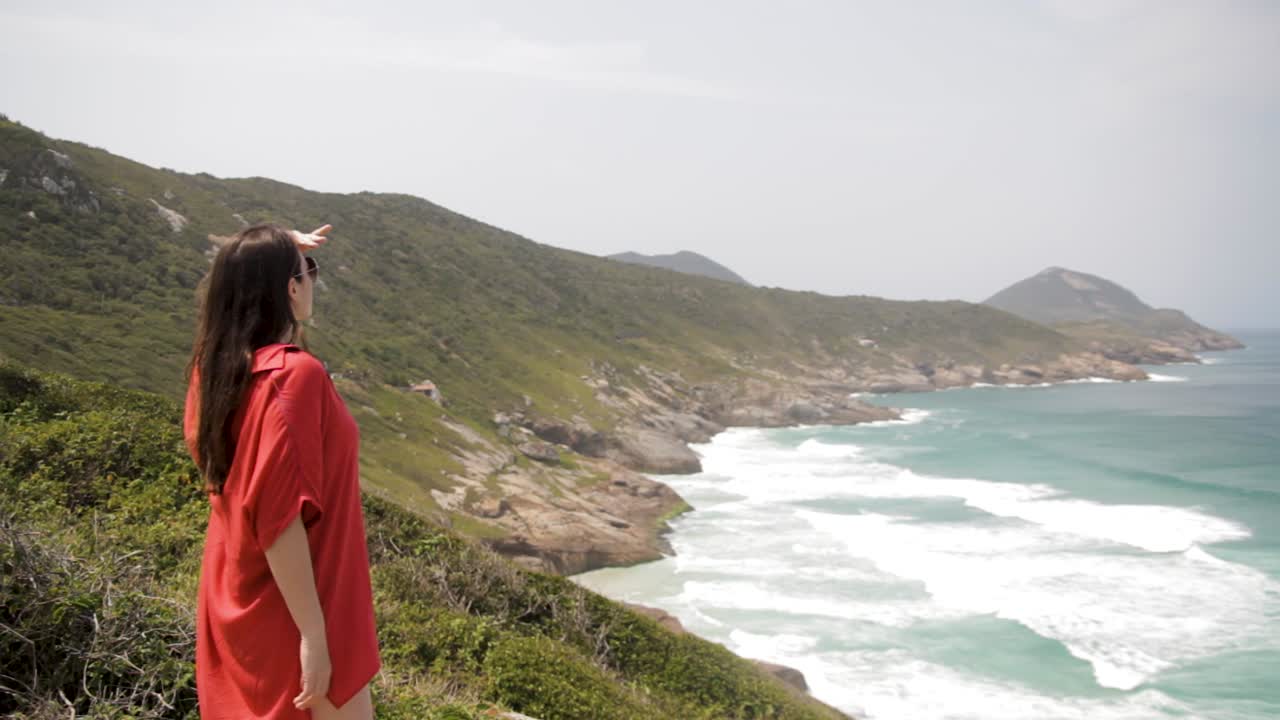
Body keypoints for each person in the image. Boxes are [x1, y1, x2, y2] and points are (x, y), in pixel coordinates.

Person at [182, 222, 380, 719]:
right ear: (291, 288)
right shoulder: (293, 376)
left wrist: (281, 245)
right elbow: (279, 519)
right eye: (307, 272)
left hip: (236, 593)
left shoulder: (215, 374)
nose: (312, 281)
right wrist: (314, 635)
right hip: (299, 604)